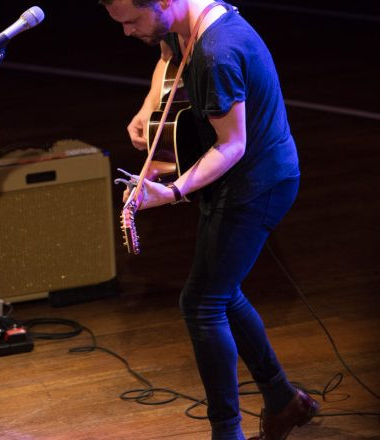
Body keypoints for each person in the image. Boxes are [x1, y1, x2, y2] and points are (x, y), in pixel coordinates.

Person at [101, 0, 319, 439]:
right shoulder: (182, 19)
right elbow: (168, 55)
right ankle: (282, 400)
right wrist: (149, 106)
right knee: (219, 291)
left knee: (201, 303)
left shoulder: (218, 52)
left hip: (258, 184)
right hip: (234, 182)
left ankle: (227, 431)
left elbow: (232, 146)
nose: (126, 32)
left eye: (131, 21)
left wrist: (174, 191)